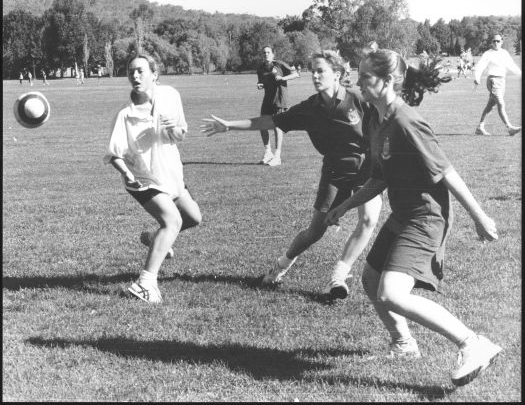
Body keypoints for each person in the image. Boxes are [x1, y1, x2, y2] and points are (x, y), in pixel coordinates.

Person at [325, 48, 502, 386]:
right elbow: (380, 177)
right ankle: (403, 345)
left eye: (365, 76)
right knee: (371, 281)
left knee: (391, 293)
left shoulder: (406, 122)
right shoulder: (375, 120)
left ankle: (473, 343)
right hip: (402, 214)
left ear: (388, 80)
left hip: (426, 218)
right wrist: (345, 206)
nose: (357, 81)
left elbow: (446, 172)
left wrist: (480, 217)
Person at [201, 50, 383, 300]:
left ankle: (339, 276)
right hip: (334, 171)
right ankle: (281, 266)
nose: (315, 75)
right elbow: (270, 121)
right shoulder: (310, 108)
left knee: (368, 221)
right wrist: (229, 125)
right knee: (315, 232)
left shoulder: (358, 99)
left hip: (365, 168)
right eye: (313, 70)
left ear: (337, 75)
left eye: (321, 71)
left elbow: (383, 126)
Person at [103, 53, 202, 304]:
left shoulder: (170, 95)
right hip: (142, 179)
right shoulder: (125, 115)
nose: (134, 76)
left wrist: (173, 129)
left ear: (154, 75)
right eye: (131, 72)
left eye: (140, 71)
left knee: (193, 218)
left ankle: (152, 238)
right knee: (172, 221)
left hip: (171, 173)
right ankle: (145, 284)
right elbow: (113, 155)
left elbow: (180, 134)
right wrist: (127, 174)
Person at [256, 45, 300, 166]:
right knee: (262, 124)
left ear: (273, 54)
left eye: (268, 52)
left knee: (277, 126)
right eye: (264, 53)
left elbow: (296, 74)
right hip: (267, 100)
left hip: (279, 99)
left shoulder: (279, 64)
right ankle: (268, 152)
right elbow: (262, 82)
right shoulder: (260, 69)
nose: (266, 54)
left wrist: (282, 77)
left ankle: (277, 156)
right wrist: (260, 85)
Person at [473, 34, 522, 136]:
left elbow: (512, 66)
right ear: (491, 42)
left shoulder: (504, 53)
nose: (496, 43)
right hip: (493, 80)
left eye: (498, 41)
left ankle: (480, 127)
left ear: (502, 42)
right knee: (500, 103)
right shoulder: (488, 53)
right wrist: (477, 77)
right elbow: (480, 66)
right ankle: (509, 127)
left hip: (502, 81)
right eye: (494, 41)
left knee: (490, 106)